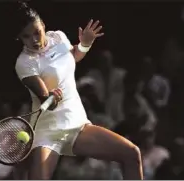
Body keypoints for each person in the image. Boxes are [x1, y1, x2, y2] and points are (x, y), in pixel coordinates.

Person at [15, 2, 143, 180]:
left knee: (131, 154)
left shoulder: (58, 37)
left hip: (77, 125)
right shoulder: (24, 63)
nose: (34, 40)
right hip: (48, 133)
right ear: (20, 38)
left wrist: (84, 44)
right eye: (27, 37)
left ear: (43, 25)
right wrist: (50, 97)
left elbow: (72, 57)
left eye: (37, 32)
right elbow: (43, 95)